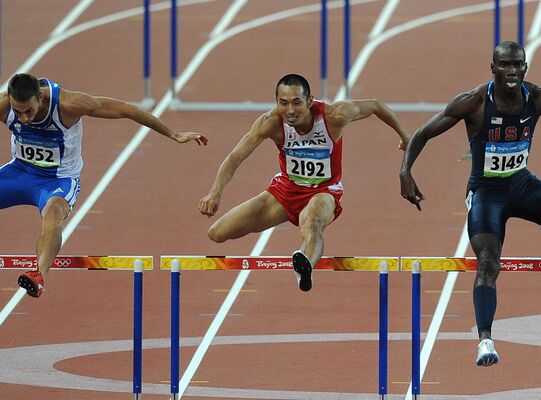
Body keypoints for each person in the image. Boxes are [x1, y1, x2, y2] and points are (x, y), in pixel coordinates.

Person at [399, 41, 541, 366]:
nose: (512, 71)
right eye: (505, 65)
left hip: (523, 184)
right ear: (493, 68)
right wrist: (405, 171)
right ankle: (485, 341)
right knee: (488, 261)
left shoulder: (540, 97)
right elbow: (424, 132)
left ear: (525, 67)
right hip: (487, 194)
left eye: (517, 64)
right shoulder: (474, 103)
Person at [1, 73, 208, 298]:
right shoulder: (5, 104)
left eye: (28, 111)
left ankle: (38, 275)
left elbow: (126, 110)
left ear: (40, 97)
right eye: (17, 112)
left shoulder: (69, 105)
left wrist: (174, 134)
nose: (23, 119)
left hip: (57, 180)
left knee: (53, 214)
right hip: (20, 171)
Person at [199, 73, 409, 291]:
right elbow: (236, 156)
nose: (290, 110)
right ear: (276, 102)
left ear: (309, 101)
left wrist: (405, 137)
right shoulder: (270, 123)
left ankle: (304, 265)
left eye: (297, 102)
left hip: (324, 191)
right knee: (217, 233)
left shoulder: (335, 115)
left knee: (312, 223)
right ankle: (304, 259)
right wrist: (215, 193)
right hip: (285, 191)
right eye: (284, 103)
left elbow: (376, 106)